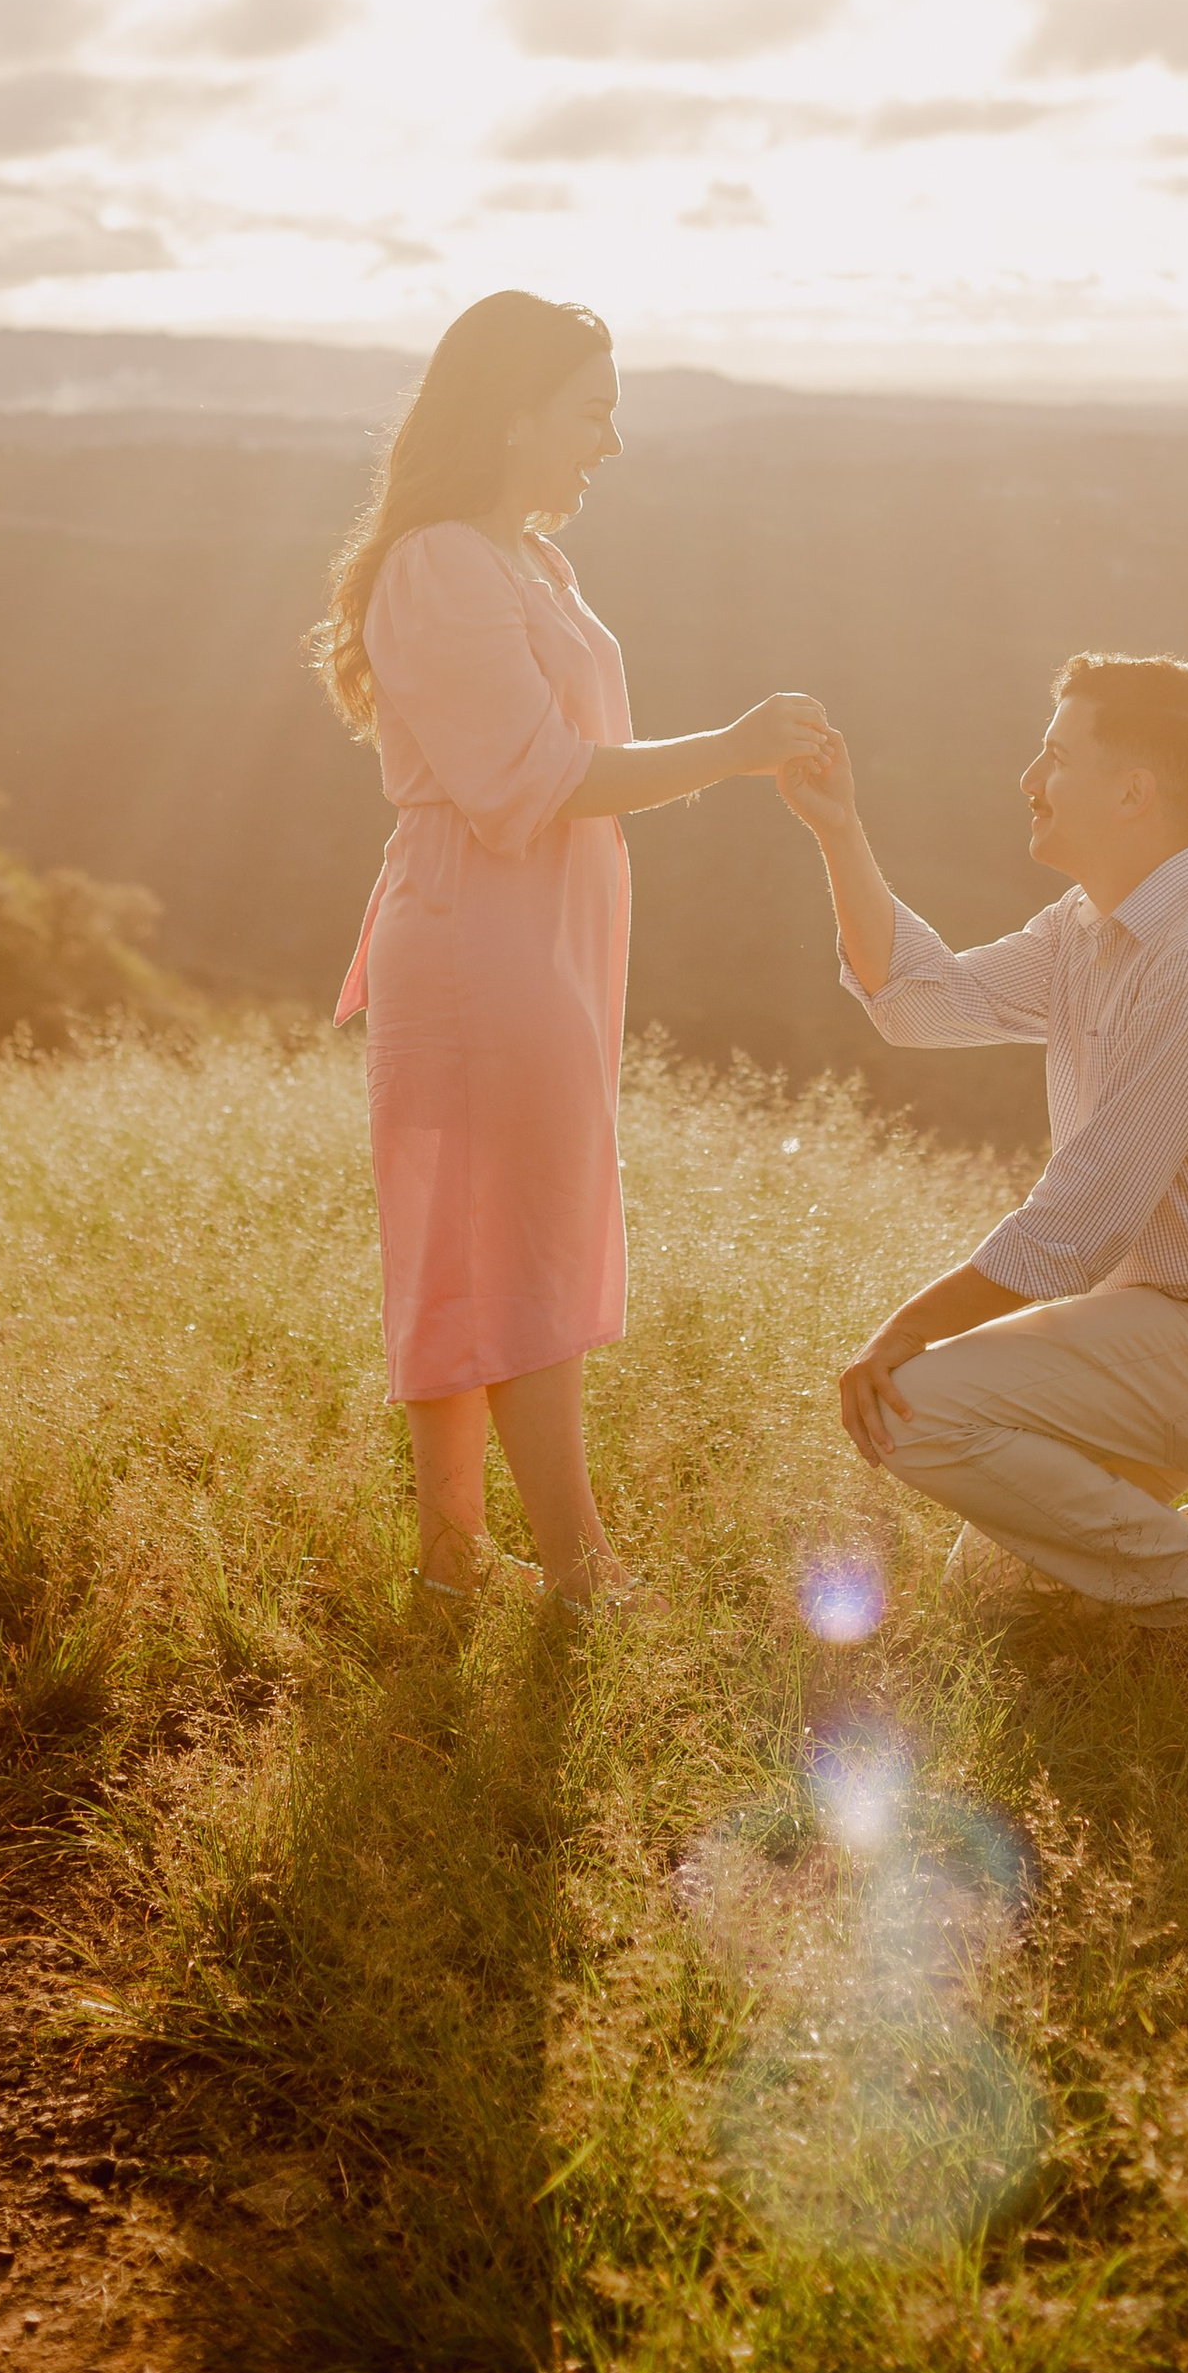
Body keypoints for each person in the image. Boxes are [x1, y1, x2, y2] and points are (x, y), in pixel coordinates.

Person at [312, 291, 830, 1614]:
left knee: (485, 1232)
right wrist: (734, 748)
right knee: (514, 1239)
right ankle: (579, 1571)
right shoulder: (440, 565)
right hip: (480, 933)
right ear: (510, 419)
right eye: (591, 413)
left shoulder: (533, 563)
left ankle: (452, 1562)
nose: (609, 442)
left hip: (539, 928)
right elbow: (528, 779)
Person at [776, 650, 1188, 1629]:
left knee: (916, 1408)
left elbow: (1077, 1227)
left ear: (1132, 792)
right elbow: (914, 1001)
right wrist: (837, 829)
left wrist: (903, 1333)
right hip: (1157, 1323)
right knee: (998, 1586)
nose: (1028, 779)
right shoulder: (1084, 929)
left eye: (1056, 756)